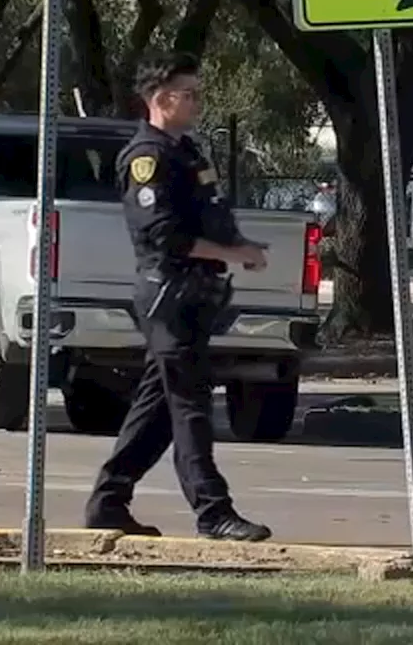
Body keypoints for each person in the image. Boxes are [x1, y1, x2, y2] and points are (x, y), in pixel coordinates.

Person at [84, 51, 273, 542]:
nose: (197, 102)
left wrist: (235, 249)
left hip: (194, 297)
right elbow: (164, 236)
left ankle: (108, 500)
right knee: (189, 405)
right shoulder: (147, 158)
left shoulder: (186, 152)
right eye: (189, 94)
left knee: (158, 408)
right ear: (161, 99)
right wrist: (234, 252)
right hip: (169, 296)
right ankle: (213, 511)